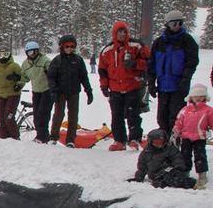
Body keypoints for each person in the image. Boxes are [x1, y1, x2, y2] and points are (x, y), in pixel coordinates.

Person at [99, 21, 148, 151]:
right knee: (116, 116)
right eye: (119, 32)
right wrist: (104, 86)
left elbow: (148, 61)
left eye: (124, 31)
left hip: (132, 86)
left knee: (133, 115)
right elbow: (102, 70)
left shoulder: (136, 45)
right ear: (115, 33)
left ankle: (134, 139)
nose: (122, 34)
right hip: (115, 88)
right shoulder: (107, 50)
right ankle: (119, 140)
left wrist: (135, 64)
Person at [148, 10, 200, 132]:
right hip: (163, 86)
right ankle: (164, 141)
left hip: (179, 86)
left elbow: (191, 62)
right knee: (162, 117)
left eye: (180, 23)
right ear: (167, 25)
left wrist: (185, 79)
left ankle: (175, 142)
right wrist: (151, 83)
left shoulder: (187, 41)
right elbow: (152, 64)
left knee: (176, 117)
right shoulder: (159, 43)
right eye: (174, 24)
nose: (177, 26)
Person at [47, 34, 93, 147]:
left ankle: (70, 140)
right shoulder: (57, 60)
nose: (69, 49)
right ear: (62, 47)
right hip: (60, 92)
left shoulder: (78, 60)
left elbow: (84, 77)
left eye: (72, 46)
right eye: (67, 46)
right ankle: (53, 137)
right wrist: (53, 91)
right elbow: (51, 77)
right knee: (58, 115)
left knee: (73, 116)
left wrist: (89, 91)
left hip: (74, 92)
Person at [170, 83, 211, 189]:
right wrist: (175, 132)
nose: (198, 98)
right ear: (191, 97)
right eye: (195, 96)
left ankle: (202, 175)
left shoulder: (208, 110)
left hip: (200, 138)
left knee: (200, 156)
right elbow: (179, 122)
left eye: (201, 96)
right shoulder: (185, 110)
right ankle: (185, 173)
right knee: (185, 156)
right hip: (186, 137)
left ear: (205, 97)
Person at [128, 129, 196, 189]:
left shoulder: (170, 149)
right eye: (156, 142)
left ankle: (190, 183)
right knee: (158, 182)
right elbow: (142, 166)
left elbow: (178, 160)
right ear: (151, 142)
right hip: (156, 175)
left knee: (171, 178)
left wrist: (174, 169)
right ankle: (163, 183)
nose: (159, 144)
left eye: (161, 142)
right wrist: (139, 176)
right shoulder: (146, 152)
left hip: (170, 172)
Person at [21, 40, 52, 144]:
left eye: (34, 52)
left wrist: (50, 75)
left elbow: (53, 74)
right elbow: (24, 77)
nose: (32, 54)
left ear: (38, 51)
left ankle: (42, 137)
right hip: (36, 91)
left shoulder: (45, 61)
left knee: (43, 113)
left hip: (47, 90)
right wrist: (17, 83)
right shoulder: (26, 64)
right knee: (36, 115)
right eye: (30, 52)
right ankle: (41, 135)